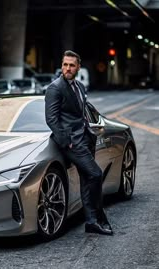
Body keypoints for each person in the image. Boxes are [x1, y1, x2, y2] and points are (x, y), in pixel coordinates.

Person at [45, 50, 113, 235]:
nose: (67, 68)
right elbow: (51, 119)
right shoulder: (55, 88)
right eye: (65, 64)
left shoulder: (80, 87)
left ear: (78, 67)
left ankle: (91, 222)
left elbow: (80, 113)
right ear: (62, 65)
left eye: (71, 65)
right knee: (96, 174)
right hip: (72, 143)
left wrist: (89, 131)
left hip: (85, 138)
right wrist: (67, 142)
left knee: (87, 179)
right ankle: (99, 217)